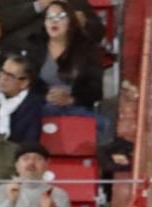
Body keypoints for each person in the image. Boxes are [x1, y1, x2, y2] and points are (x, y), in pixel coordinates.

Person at [20, 0, 107, 143]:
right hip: (42, 105)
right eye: (50, 17)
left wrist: (71, 98)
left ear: (71, 21)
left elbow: (96, 89)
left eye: (60, 17)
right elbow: (27, 83)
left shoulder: (87, 48)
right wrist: (46, 95)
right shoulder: (35, 46)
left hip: (76, 106)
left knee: (104, 125)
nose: (54, 22)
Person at [0, 54, 43, 144]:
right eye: (2, 72)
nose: (3, 78)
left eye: (10, 76)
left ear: (24, 82)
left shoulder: (34, 105)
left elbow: (30, 140)